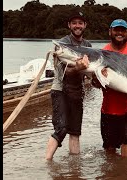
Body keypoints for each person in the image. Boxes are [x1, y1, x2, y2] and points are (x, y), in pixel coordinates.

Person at [91, 19, 127, 158]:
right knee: (109, 145)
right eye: (116, 30)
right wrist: (97, 77)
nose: (119, 33)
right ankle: (114, 173)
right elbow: (96, 84)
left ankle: (126, 172)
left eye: (123, 30)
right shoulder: (103, 52)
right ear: (110, 31)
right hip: (109, 107)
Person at [45, 11, 92, 160]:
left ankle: (74, 168)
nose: (77, 26)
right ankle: (46, 162)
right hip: (60, 90)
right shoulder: (61, 45)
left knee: (75, 131)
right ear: (69, 25)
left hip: (78, 91)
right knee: (61, 128)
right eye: (74, 23)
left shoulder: (88, 46)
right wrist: (78, 68)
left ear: (84, 25)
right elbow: (63, 73)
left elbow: (89, 73)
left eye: (80, 23)